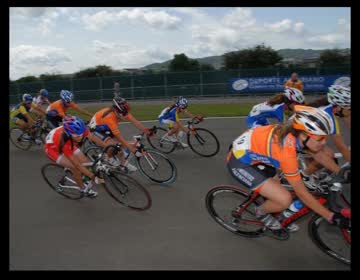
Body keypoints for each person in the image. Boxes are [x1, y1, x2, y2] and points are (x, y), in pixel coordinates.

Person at [227, 105, 350, 239]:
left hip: (259, 153)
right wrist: (330, 216)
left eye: (325, 137)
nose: (324, 142)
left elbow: (319, 155)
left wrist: (342, 172)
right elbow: (302, 193)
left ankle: (273, 208)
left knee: (277, 190)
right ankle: (260, 212)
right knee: (285, 199)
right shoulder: (287, 153)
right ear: (303, 136)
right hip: (240, 163)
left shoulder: (297, 136)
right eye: (320, 138)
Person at [44, 115, 108, 197]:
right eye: (77, 136)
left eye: (81, 134)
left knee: (86, 162)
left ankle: (83, 177)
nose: (80, 137)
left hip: (68, 142)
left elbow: (92, 137)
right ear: (68, 133)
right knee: (75, 168)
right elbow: (77, 165)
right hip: (52, 149)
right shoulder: (63, 141)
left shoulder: (79, 130)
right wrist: (93, 177)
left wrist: (107, 147)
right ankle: (83, 189)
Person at [300, 85, 351, 185]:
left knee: (328, 155)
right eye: (349, 108)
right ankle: (304, 175)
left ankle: (313, 175)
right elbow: (341, 147)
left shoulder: (329, 109)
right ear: (339, 107)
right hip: (297, 137)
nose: (350, 111)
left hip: (306, 136)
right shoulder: (328, 115)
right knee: (328, 155)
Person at [89, 97, 151, 172]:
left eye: (126, 113)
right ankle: (108, 158)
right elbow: (120, 138)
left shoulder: (122, 112)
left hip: (105, 128)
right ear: (116, 110)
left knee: (120, 148)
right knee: (114, 146)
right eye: (123, 113)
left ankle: (124, 163)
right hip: (95, 130)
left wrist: (146, 130)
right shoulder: (110, 117)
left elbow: (135, 121)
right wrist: (132, 149)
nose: (125, 115)